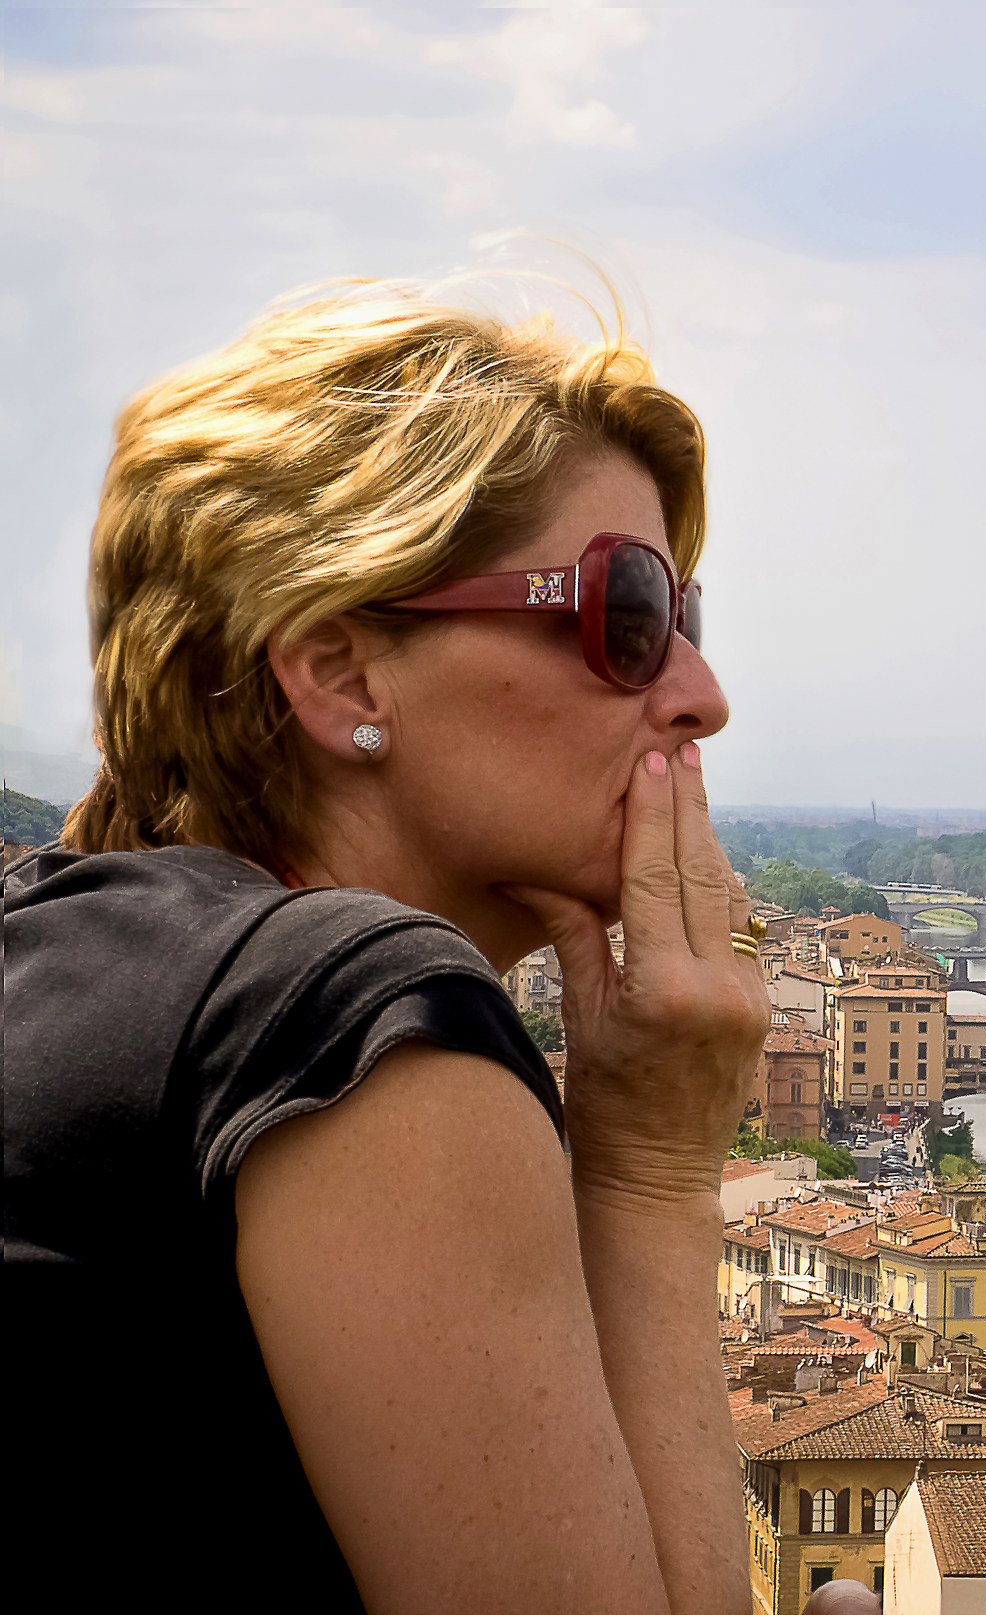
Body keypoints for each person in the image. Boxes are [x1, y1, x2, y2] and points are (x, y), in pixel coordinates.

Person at [5, 280, 767, 1614]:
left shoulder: (61, 957)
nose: (701, 697)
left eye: (684, 620)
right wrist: (655, 1169)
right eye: (624, 615)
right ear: (344, 675)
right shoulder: (349, 1027)